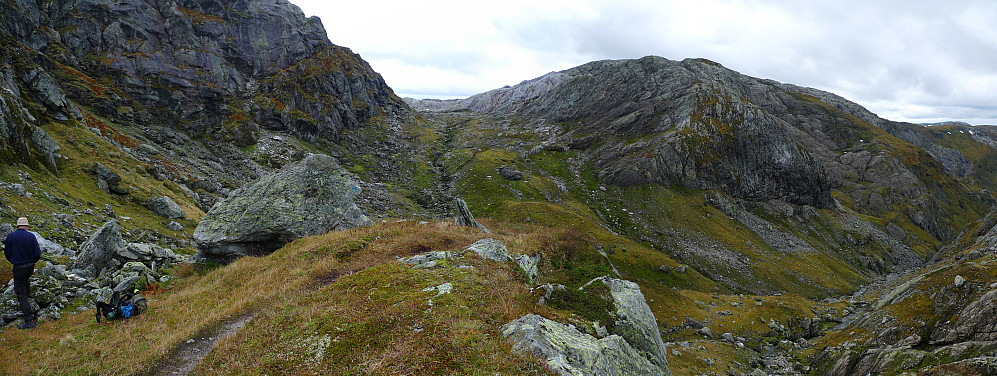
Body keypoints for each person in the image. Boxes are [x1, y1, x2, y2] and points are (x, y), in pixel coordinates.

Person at [4, 217, 41, 329]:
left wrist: (13, 260)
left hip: (18, 267)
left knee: (20, 293)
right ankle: (30, 300)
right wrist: (32, 262)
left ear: (18, 226)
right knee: (25, 281)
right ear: (26, 226)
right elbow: (37, 253)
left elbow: (7, 252)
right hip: (30, 266)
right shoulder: (30, 236)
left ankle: (29, 321)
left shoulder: (11, 236)